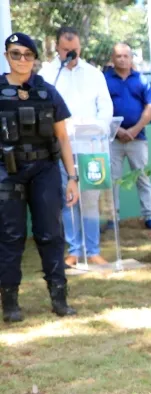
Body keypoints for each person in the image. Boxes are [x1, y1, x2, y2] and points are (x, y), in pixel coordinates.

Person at [0, 32, 79, 323]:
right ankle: (10, 303)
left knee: (51, 234)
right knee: (10, 236)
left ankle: (59, 299)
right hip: (7, 172)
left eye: (27, 55)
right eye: (15, 54)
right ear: (7, 56)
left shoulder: (47, 92)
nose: (22, 59)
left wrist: (72, 177)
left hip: (44, 170)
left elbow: (62, 138)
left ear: (35, 59)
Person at [38, 26, 111, 266]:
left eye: (75, 50)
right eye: (66, 50)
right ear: (57, 48)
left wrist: (96, 126)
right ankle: (74, 250)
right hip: (62, 147)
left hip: (91, 146)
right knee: (68, 198)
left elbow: (106, 108)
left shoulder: (94, 74)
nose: (71, 55)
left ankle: (93, 249)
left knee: (90, 199)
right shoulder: (48, 75)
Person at [104, 42, 151, 232]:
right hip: (113, 139)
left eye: (125, 56)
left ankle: (149, 217)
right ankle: (113, 219)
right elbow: (101, 109)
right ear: (112, 59)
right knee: (112, 180)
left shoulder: (141, 80)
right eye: (118, 56)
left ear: (131, 58)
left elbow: (150, 106)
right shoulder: (104, 80)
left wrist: (135, 129)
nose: (122, 59)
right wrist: (117, 130)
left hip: (138, 138)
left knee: (142, 177)